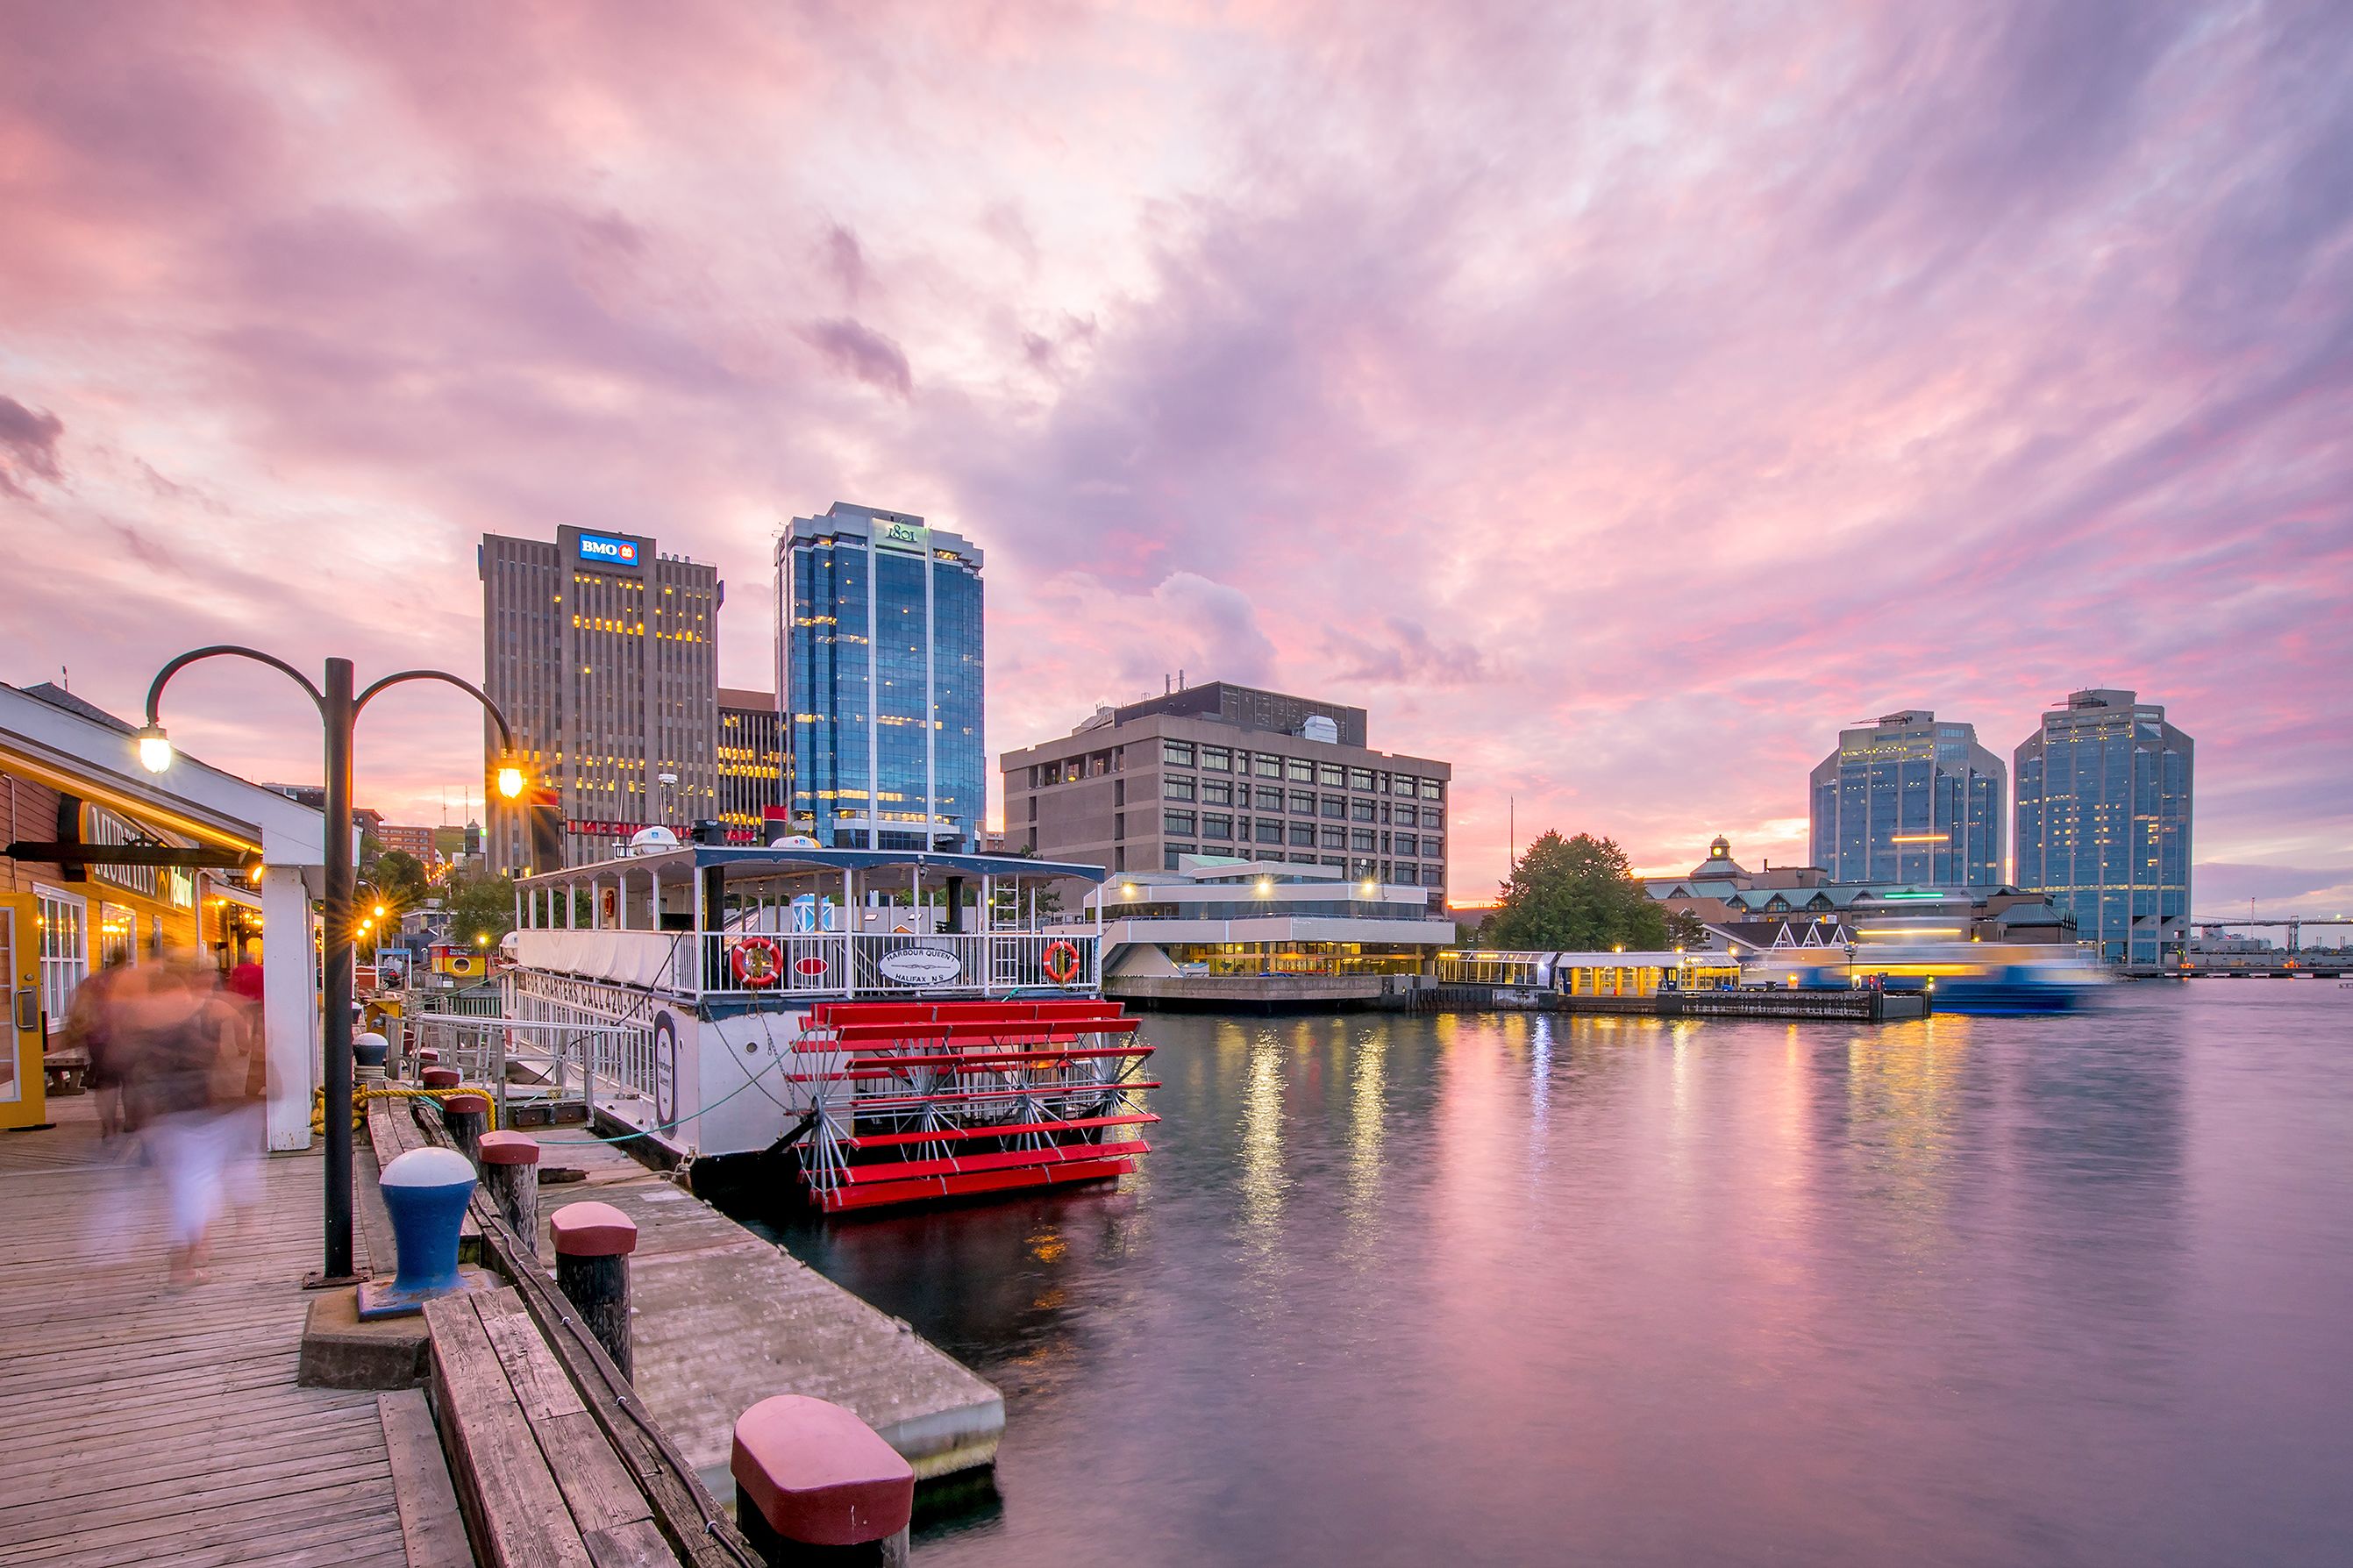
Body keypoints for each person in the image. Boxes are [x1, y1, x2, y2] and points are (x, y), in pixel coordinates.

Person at [62, 953, 133, 1139]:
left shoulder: (90, 982)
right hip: (127, 1038)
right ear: (125, 962)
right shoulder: (129, 982)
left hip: (97, 1040)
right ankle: (130, 1121)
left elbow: (78, 1009)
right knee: (130, 1082)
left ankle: (108, 1127)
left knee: (106, 1082)